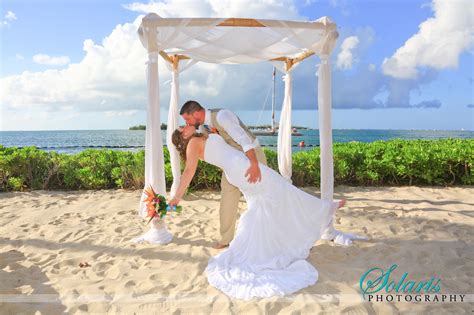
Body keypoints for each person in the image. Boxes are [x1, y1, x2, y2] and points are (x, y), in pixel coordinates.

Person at [169, 126, 348, 300]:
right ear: (183, 137)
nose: (186, 126)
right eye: (182, 128)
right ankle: (324, 209)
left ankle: (314, 216)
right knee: (281, 189)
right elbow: (189, 172)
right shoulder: (192, 143)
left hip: (241, 167)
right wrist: (176, 197)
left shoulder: (202, 134)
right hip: (241, 169)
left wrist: (212, 130)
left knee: (267, 203)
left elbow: (220, 139)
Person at [179, 100, 267, 249]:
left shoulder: (222, 116)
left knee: (263, 196)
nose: (187, 123)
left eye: (187, 119)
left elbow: (244, 139)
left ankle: (269, 234)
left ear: (196, 114)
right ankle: (226, 239)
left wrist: (254, 164)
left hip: (253, 156)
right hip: (234, 163)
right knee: (227, 195)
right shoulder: (201, 127)